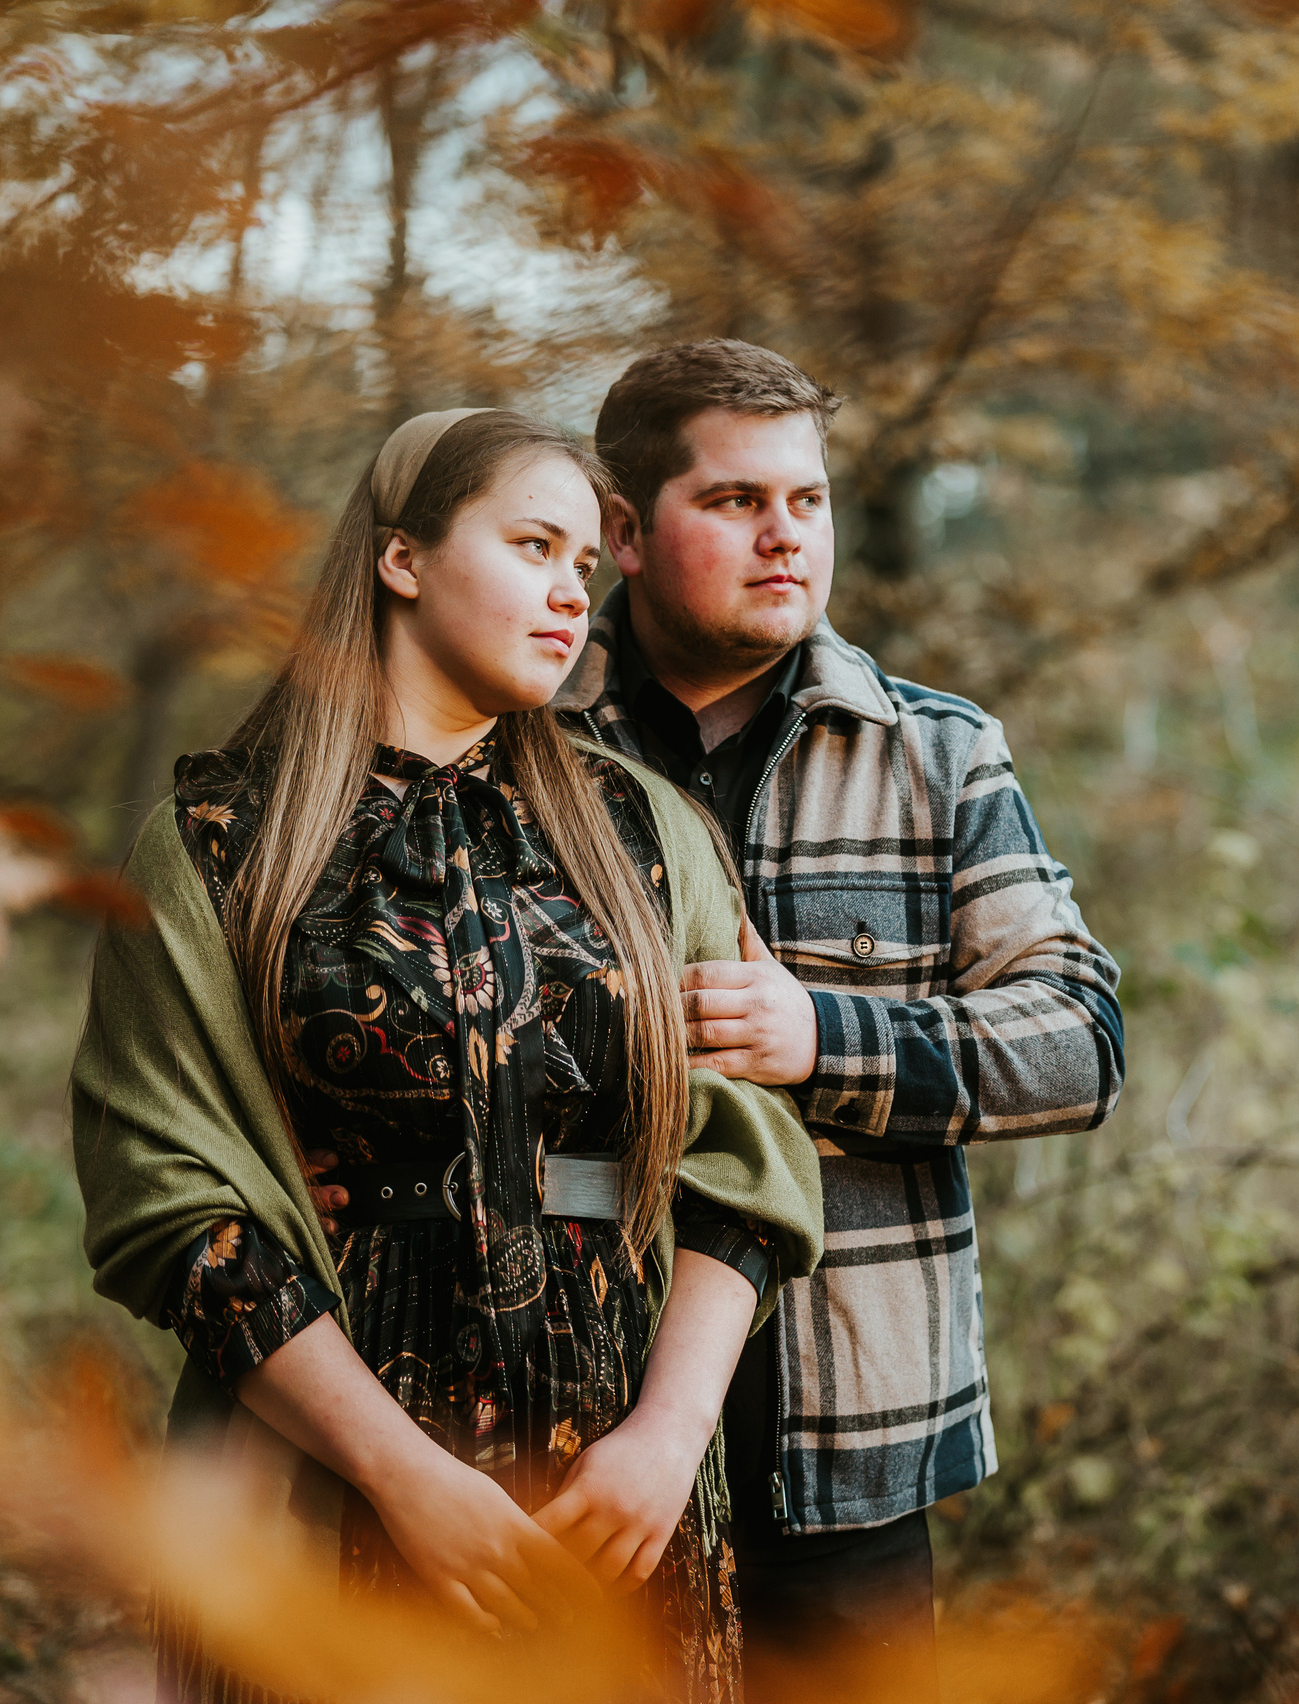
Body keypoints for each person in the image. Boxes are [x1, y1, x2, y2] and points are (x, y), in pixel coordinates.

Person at [71, 408, 825, 1703]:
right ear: (400, 556)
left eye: (586, 566)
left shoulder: (642, 829)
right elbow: (173, 1201)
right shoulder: (217, 844)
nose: (567, 593)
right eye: (533, 543)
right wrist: (401, 1475)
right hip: (315, 1460)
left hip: (612, 1461)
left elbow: (745, 1154)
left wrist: (666, 1436)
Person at [555, 340, 1126, 1700]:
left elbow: (1080, 1040)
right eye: (738, 501)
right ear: (625, 531)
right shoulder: (528, 749)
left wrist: (824, 1039)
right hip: (571, 1427)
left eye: (806, 503)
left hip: (852, 1448)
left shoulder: (936, 751)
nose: (785, 538)